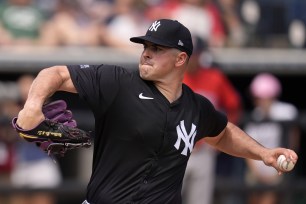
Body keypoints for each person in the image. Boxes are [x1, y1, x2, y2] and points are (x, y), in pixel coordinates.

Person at [15, 19, 297, 204]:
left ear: (181, 58)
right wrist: (32, 106)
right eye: (145, 46)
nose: (146, 52)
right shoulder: (118, 82)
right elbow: (56, 74)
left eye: (157, 48)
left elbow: (222, 135)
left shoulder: (196, 107)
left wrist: (263, 153)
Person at [182, 36, 242, 204]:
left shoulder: (214, 77)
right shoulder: (173, 76)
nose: (191, 58)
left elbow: (234, 105)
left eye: (194, 54)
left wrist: (220, 136)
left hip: (203, 149)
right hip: (175, 149)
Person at [243, 73, 300, 204]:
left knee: (269, 199)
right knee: (253, 197)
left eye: (264, 97)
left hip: (279, 167)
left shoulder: (286, 111)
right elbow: (246, 146)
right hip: (257, 168)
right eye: (258, 97)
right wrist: (257, 173)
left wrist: (287, 161)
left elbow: (294, 137)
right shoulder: (255, 115)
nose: (260, 101)